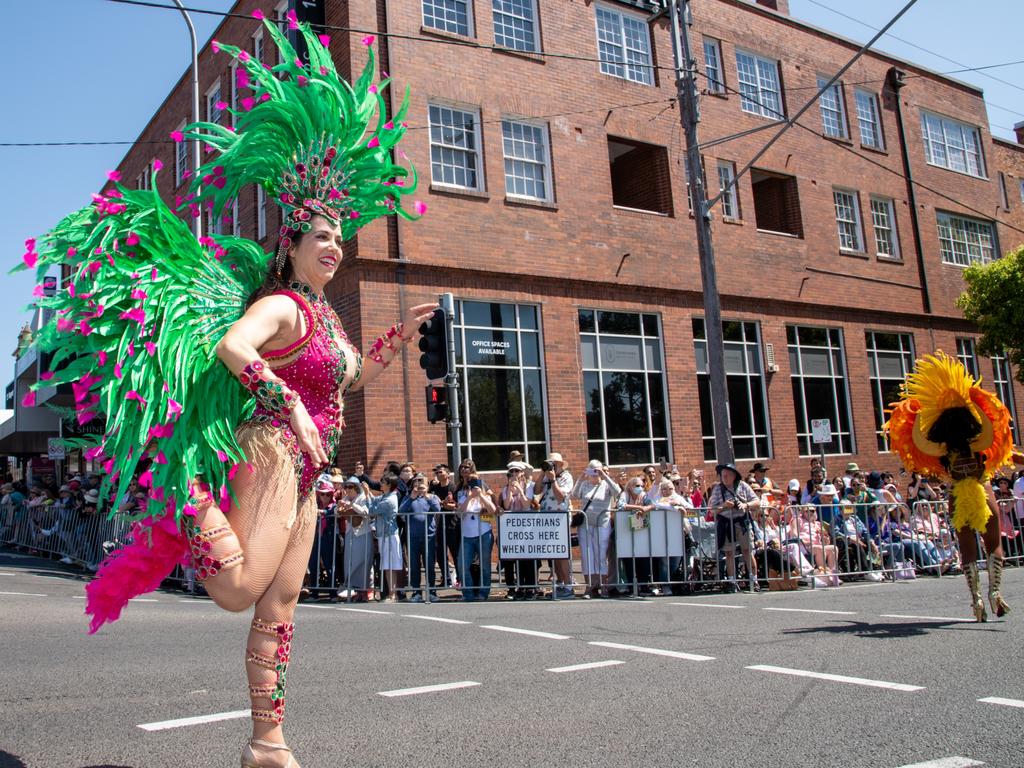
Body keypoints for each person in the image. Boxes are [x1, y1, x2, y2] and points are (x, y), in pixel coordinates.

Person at [19, 21, 433, 767]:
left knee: (280, 608)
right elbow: (232, 347)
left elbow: (346, 383)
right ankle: (185, 497)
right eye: (321, 238)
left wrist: (393, 343)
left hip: (309, 472)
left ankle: (267, 743)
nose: (334, 247)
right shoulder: (283, 306)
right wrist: (289, 407)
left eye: (340, 237)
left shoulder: (330, 318)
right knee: (240, 589)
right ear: (291, 245)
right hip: (271, 451)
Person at [885, 352, 1014, 621]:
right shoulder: (978, 447)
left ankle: (976, 599)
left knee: (966, 546)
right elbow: (995, 442)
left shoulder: (942, 453)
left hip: (958, 494)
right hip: (981, 488)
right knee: (993, 543)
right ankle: (995, 593)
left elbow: (924, 456)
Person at [570, 460, 621, 599]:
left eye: (597, 470)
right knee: (587, 555)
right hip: (585, 524)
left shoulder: (605, 485)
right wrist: (581, 478)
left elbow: (617, 492)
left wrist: (605, 476)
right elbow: (574, 494)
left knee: (600, 554)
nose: (595, 473)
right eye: (592, 470)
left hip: (601, 523)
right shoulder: (585, 484)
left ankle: (603, 586)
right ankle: (590, 587)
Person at [707, 463, 758, 593]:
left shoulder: (743, 486)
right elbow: (712, 511)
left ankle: (754, 580)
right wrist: (724, 505)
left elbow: (756, 502)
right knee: (729, 553)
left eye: (727, 475)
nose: (724, 477)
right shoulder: (718, 489)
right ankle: (731, 581)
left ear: (734, 475)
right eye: (723, 475)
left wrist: (745, 505)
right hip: (726, 523)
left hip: (742, 522)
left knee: (747, 550)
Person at [533, 452, 574, 599]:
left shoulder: (566, 477)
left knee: (562, 554)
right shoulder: (546, 476)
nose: (552, 466)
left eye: (554, 464)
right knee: (554, 554)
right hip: (547, 518)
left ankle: (569, 585)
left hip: (560, 518)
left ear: (560, 465)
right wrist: (542, 473)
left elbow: (560, 496)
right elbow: (536, 491)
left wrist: (553, 480)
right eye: (550, 464)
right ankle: (560, 583)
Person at [498, 462, 539, 599]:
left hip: (527, 526)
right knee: (519, 559)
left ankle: (531, 587)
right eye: (512, 472)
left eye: (517, 471)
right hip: (513, 528)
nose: (514, 474)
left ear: (522, 473)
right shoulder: (506, 489)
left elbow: (527, 504)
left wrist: (520, 490)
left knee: (529, 559)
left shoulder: (529, 486)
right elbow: (507, 505)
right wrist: (510, 490)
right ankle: (521, 587)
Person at [399, 474, 439, 602]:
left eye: (422, 483)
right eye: (416, 482)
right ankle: (416, 592)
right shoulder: (409, 497)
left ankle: (432, 591)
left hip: (429, 536)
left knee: (429, 565)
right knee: (414, 566)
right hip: (413, 537)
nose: (419, 485)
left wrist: (426, 496)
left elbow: (437, 509)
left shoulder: (432, 497)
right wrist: (411, 498)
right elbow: (401, 511)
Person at [458, 474, 498, 601]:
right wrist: (470, 497)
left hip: (484, 534)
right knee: (462, 565)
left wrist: (481, 496)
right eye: (472, 484)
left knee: (485, 566)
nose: (474, 486)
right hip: (467, 536)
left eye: (477, 484)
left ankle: (483, 592)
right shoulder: (463, 496)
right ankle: (468, 593)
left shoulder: (486, 496)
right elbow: (460, 513)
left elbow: (492, 511)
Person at [429, 464, 460, 589]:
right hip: (438, 524)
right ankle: (445, 578)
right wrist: (442, 503)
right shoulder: (435, 487)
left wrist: (441, 503)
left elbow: (455, 505)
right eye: (436, 472)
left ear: (447, 474)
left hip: (452, 524)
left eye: (440, 472)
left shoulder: (453, 487)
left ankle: (459, 579)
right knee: (440, 553)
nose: (438, 474)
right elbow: (431, 500)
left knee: (455, 552)